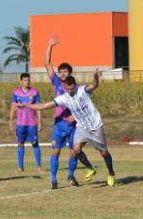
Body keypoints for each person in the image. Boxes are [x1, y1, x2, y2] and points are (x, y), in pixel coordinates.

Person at [18, 70, 117, 187]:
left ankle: (111, 173)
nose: (70, 91)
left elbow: (94, 85)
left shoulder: (82, 91)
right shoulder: (64, 97)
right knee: (75, 150)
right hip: (82, 127)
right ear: (64, 87)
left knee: (104, 152)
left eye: (72, 89)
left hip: (95, 126)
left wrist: (95, 77)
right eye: (67, 89)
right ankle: (90, 168)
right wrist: (27, 105)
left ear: (75, 85)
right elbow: (44, 106)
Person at [45, 35, 95, 189]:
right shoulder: (56, 82)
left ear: (70, 73)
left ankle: (71, 176)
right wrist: (50, 46)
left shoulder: (78, 88)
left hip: (74, 125)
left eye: (65, 71)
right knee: (55, 150)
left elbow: (86, 106)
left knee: (74, 152)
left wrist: (75, 116)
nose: (62, 74)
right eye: (60, 71)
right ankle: (53, 180)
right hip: (59, 123)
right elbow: (47, 64)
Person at [9, 73, 42, 173]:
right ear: (21, 81)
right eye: (25, 80)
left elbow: (39, 108)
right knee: (20, 144)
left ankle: (39, 166)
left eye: (28, 80)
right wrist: (10, 121)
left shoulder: (34, 92)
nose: (27, 82)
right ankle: (20, 167)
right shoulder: (16, 93)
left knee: (35, 144)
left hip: (32, 123)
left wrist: (40, 122)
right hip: (20, 123)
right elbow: (13, 107)